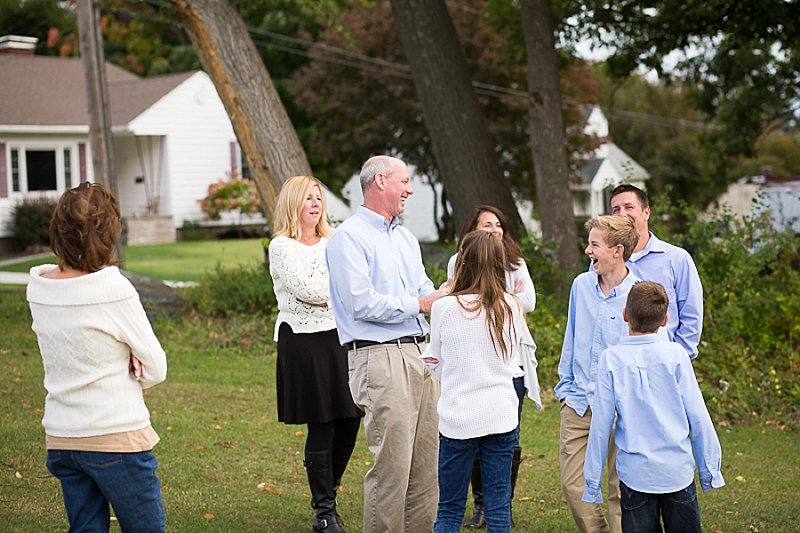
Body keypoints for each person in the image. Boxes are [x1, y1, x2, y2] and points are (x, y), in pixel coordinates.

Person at [27, 182, 168, 532]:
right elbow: (156, 367)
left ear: (58, 231)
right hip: (115, 434)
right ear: (107, 233)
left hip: (63, 438)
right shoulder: (112, 288)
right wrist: (138, 372)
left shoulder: (39, 287)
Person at [326, 155, 450, 532]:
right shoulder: (348, 237)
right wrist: (422, 304)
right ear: (380, 181)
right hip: (379, 357)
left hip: (420, 354)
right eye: (405, 181)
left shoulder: (406, 237)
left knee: (426, 468)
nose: (410, 189)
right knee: (393, 467)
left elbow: (423, 289)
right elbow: (361, 303)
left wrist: (445, 296)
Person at [582, 281, 725, 532]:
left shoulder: (611, 358)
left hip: (636, 476)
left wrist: (592, 483)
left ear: (625, 315)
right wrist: (709, 469)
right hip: (677, 471)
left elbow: (601, 424)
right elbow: (698, 415)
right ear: (665, 320)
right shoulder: (676, 354)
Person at [268, 175, 364, 533]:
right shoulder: (281, 246)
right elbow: (305, 289)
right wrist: (341, 288)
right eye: (308, 198)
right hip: (304, 341)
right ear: (294, 203)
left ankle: (329, 492)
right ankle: (323, 511)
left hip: (339, 338)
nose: (315, 204)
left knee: (350, 419)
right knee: (322, 423)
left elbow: (357, 277)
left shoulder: (333, 240)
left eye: (319, 198)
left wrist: (344, 287)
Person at [424, 230, 527, 533]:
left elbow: (436, 361)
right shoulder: (512, 306)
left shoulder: (444, 307)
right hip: (500, 416)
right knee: (498, 506)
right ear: (499, 264)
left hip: (458, 417)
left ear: (462, 263)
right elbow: (512, 360)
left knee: (450, 508)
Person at [445, 205, 540, 528]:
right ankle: (485, 502)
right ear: (472, 230)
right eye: (487, 224)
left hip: (499, 378)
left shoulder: (514, 268)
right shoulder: (506, 302)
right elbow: (518, 300)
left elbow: (529, 301)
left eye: (498, 225)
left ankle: (498, 500)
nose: (494, 230)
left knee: (450, 507)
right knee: (479, 444)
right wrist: (509, 297)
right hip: (484, 379)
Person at [555, 215, 640, 533]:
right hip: (578, 401)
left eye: (594, 244)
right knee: (573, 484)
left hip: (622, 407)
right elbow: (572, 334)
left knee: (620, 490)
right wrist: (565, 386)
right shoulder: (581, 285)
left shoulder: (639, 294)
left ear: (617, 250)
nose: (588, 250)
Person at [607, 184, 703, 359]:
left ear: (646, 213)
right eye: (616, 209)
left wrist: (679, 358)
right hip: (618, 365)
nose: (622, 214)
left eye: (629, 207)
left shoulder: (676, 259)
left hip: (664, 363)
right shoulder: (604, 262)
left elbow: (691, 316)